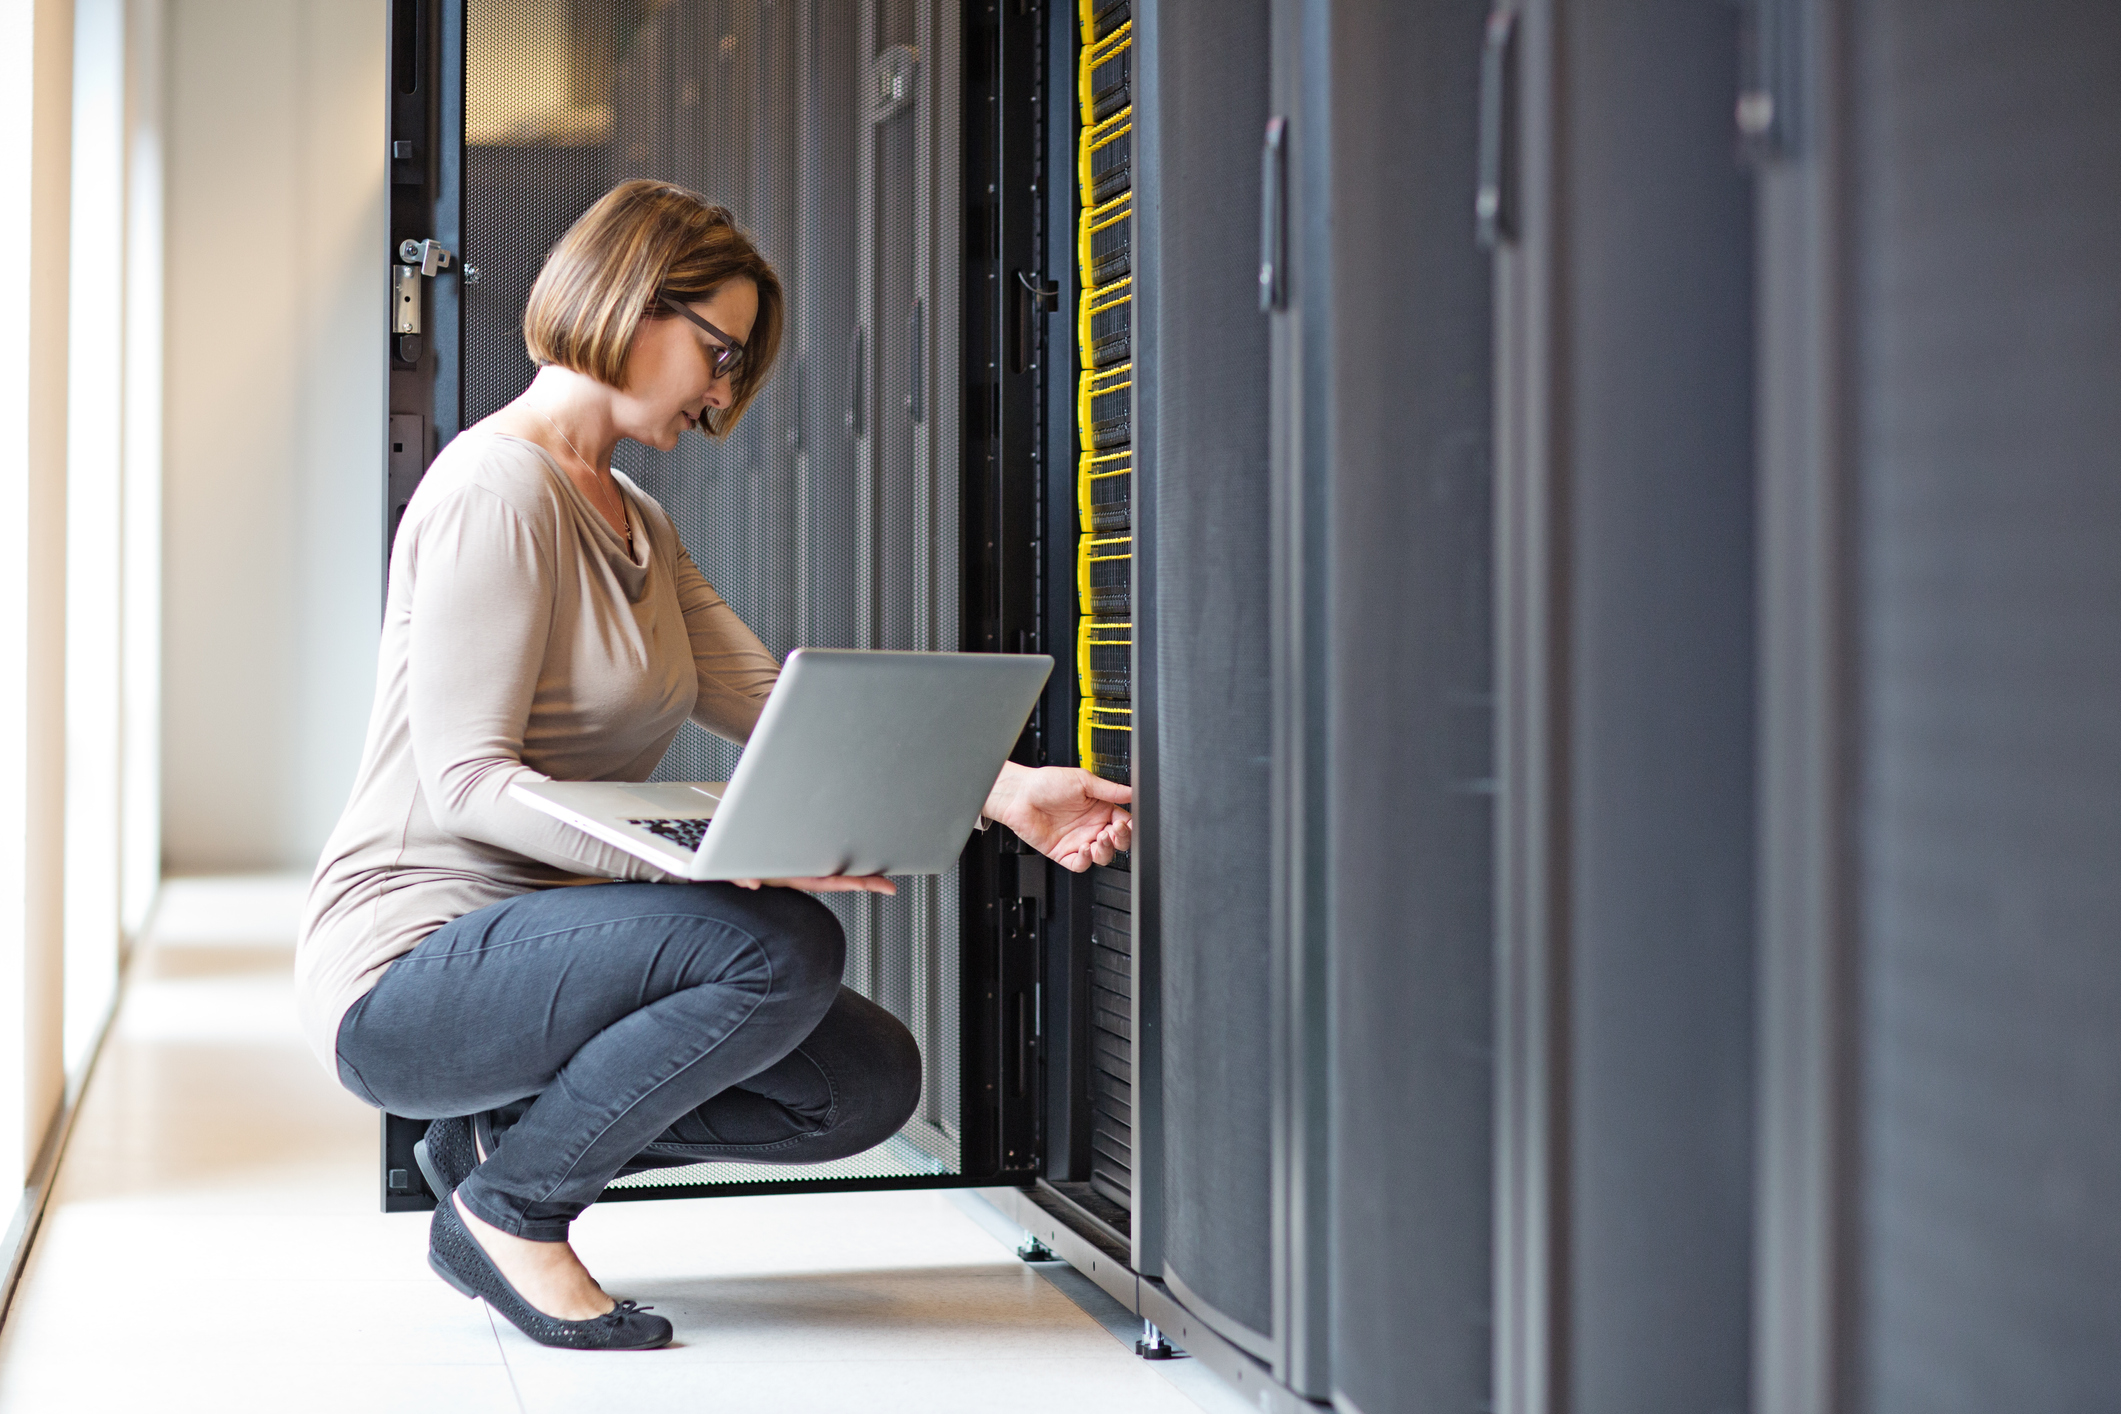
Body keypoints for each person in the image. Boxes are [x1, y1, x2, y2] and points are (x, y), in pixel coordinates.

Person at [297, 179, 1132, 1352]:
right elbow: (468, 783)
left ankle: (502, 1151)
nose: (727, 391)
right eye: (720, 351)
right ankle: (514, 1213)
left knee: (863, 1080)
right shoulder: (495, 490)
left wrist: (1007, 793)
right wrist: (686, 869)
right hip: (412, 961)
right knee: (777, 942)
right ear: (634, 305)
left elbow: (767, 697)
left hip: (551, 948)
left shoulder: (632, 511)